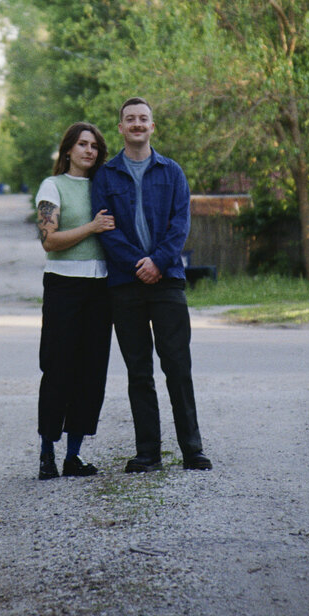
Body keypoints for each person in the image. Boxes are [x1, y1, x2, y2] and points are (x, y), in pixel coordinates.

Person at [91, 97, 212, 473]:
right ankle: (149, 453)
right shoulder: (106, 176)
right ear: (121, 128)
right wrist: (137, 264)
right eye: (130, 119)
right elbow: (105, 230)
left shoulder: (172, 172)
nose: (137, 124)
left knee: (178, 367)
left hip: (168, 283)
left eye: (144, 119)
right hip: (125, 285)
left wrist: (157, 262)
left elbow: (180, 226)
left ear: (152, 127)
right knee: (139, 371)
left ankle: (192, 450)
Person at [35, 122, 115, 480]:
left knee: (91, 371)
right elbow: (49, 240)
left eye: (95, 146)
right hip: (63, 286)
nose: (89, 151)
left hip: (101, 289)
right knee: (58, 368)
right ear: (68, 149)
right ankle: (47, 452)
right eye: (82, 144)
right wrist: (91, 228)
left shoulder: (104, 184)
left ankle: (74, 455)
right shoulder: (53, 187)